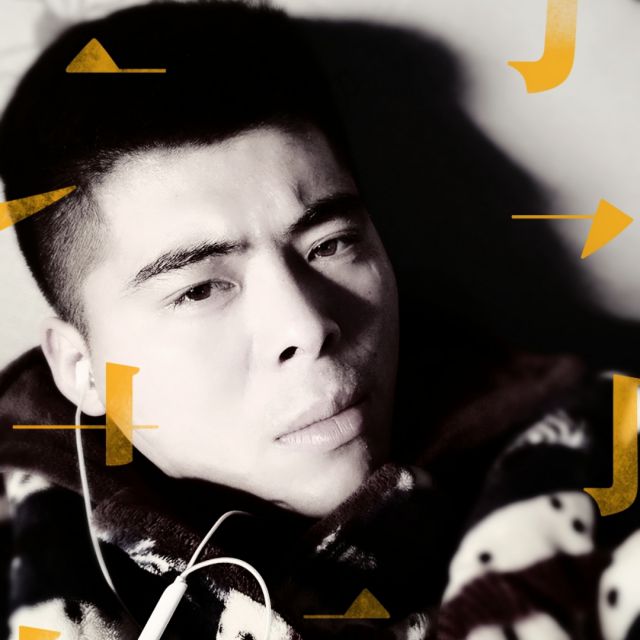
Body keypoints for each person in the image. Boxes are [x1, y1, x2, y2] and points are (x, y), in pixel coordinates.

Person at [1, 2, 639, 640]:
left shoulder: (599, 474)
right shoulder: (25, 563)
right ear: (81, 369)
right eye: (199, 290)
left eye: (329, 244)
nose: (305, 328)